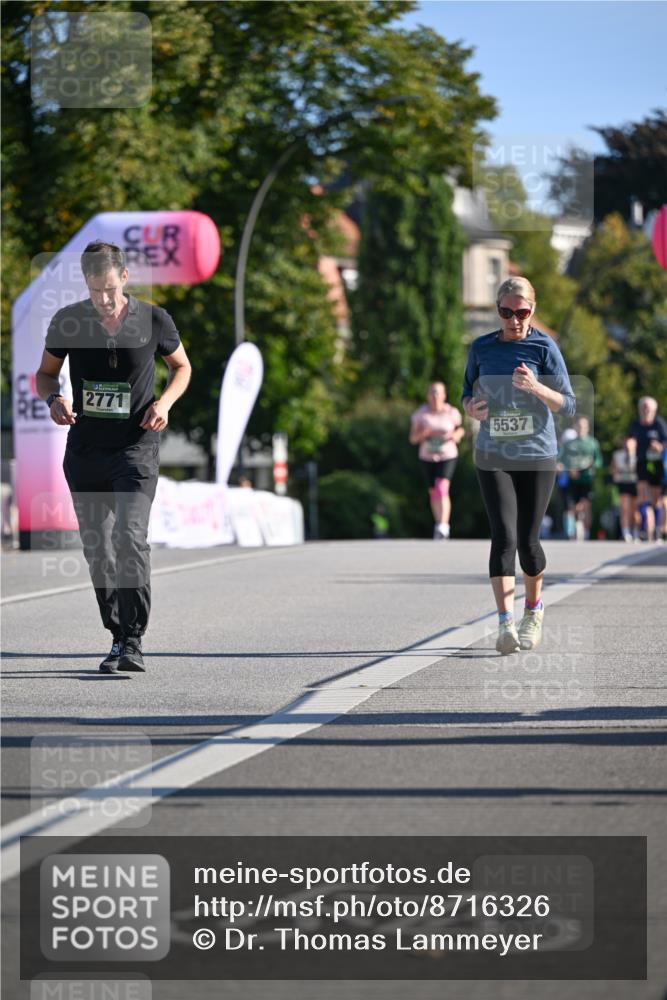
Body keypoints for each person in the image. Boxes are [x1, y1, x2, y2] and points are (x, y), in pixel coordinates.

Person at [36, 241, 192, 673]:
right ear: (86, 285)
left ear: (124, 278)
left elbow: (183, 367)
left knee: (129, 537)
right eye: (94, 290)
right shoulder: (69, 321)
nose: (103, 299)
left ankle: (132, 639)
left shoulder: (154, 320)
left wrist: (164, 404)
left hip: (135, 448)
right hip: (85, 451)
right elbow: (45, 375)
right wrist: (53, 399)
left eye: (109, 288)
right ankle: (117, 633)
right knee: (98, 550)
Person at [461, 276, 576, 654]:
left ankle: (533, 610)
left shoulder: (544, 346)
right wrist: (471, 408)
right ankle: (504, 623)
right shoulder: (481, 348)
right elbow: (467, 393)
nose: (514, 320)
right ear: (498, 311)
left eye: (521, 312)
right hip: (493, 454)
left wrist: (536, 388)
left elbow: (569, 404)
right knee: (504, 537)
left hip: (537, 455)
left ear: (532, 311)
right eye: (506, 312)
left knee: (528, 543)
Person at [409, 381, 464, 539]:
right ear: (427, 395)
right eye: (432, 392)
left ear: (444, 395)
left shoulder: (451, 412)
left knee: (442, 487)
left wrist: (456, 435)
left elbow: (460, 429)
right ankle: (438, 524)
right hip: (427, 456)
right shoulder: (420, 414)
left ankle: (443, 525)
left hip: (447, 454)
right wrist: (423, 434)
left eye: (438, 392)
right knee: (433, 491)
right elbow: (413, 439)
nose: (434, 396)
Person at [626, 397, 667, 543]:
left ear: (654, 410)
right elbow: (630, 439)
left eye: (648, 407)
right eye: (643, 407)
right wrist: (630, 446)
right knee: (643, 496)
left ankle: (657, 529)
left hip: (657, 465)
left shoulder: (659, 424)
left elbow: (665, 441)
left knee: (656, 500)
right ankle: (644, 529)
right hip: (642, 462)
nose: (645, 409)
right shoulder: (636, 425)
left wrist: (660, 446)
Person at [557, 415, 603, 540]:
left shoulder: (593, 443)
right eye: (579, 426)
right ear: (575, 427)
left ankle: (586, 533)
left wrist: (590, 465)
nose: (581, 428)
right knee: (572, 508)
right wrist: (567, 469)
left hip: (587, 479)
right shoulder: (568, 444)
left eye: (584, 426)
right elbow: (560, 461)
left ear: (587, 427)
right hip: (572, 480)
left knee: (585, 506)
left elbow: (598, 461)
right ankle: (572, 533)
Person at [611, 435, 638, 542]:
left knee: (635, 511)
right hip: (623, 483)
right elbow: (614, 470)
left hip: (635, 484)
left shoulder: (638, 455)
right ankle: (626, 533)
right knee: (624, 508)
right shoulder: (618, 455)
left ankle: (635, 531)